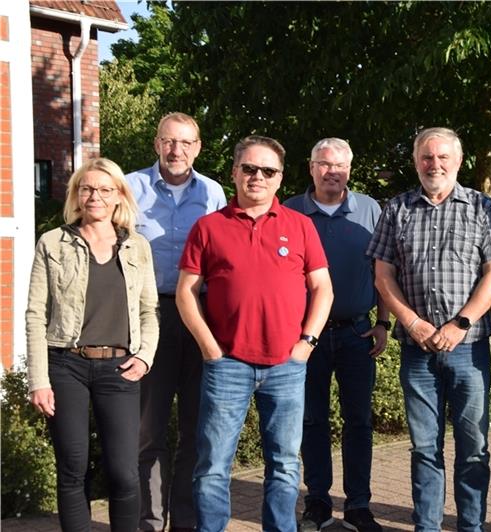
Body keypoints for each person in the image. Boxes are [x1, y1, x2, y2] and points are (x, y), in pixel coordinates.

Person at [175, 135, 334, 532]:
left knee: (283, 464)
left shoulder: (300, 227)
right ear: (234, 172)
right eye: (249, 168)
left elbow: (323, 289)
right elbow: (186, 292)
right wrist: (211, 349)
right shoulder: (209, 227)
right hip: (227, 364)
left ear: (280, 178)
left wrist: (306, 344)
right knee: (213, 465)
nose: (257, 177)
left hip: (286, 365)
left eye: (268, 171)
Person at [367, 127, 491, 531]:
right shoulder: (396, 209)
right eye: (426, 157)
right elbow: (383, 275)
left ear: (458, 161)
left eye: (442, 157)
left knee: (473, 448)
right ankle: (427, 526)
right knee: (423, 447)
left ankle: (471, 526)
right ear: (416, 162)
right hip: (417, 350)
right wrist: (412, 322)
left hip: (468, 348)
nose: (434, 164)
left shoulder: (483, 208)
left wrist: (460, 323)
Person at [26, 158, 159, 532]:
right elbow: (36, 314)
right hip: (66, 366)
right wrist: (39, 379)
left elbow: (149, 310)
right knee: (72, 467)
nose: (95, 196)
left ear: (119, 195)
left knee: (123, 472)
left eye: (104, 189)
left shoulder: (137, 246)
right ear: (76, 195)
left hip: (119, 368)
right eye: (87, 189)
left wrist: (145, 356)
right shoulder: (53, 243)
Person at [127, 111, 227, 532]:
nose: (176, 150)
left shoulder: (214, 193)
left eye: (186, 143)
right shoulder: (130, 188)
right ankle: (149, 520)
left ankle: (184, 522)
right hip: (147, 317)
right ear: (157, 144)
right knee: (148, 430)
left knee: (194, 428)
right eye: (169, 141)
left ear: (198, 148)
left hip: (200, 316)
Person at [284, 138, 389, 532]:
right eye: (324, 164)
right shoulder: (290, 210)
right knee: (311, 421)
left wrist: (383, 322)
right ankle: (317, 501)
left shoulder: (370, 210)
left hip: (357, 332)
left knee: (359, 421)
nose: (332, 172)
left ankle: (359, 505)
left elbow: (385, 271)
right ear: (310, 168)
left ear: (350, 169)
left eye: (340, 165)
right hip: (305, 336)